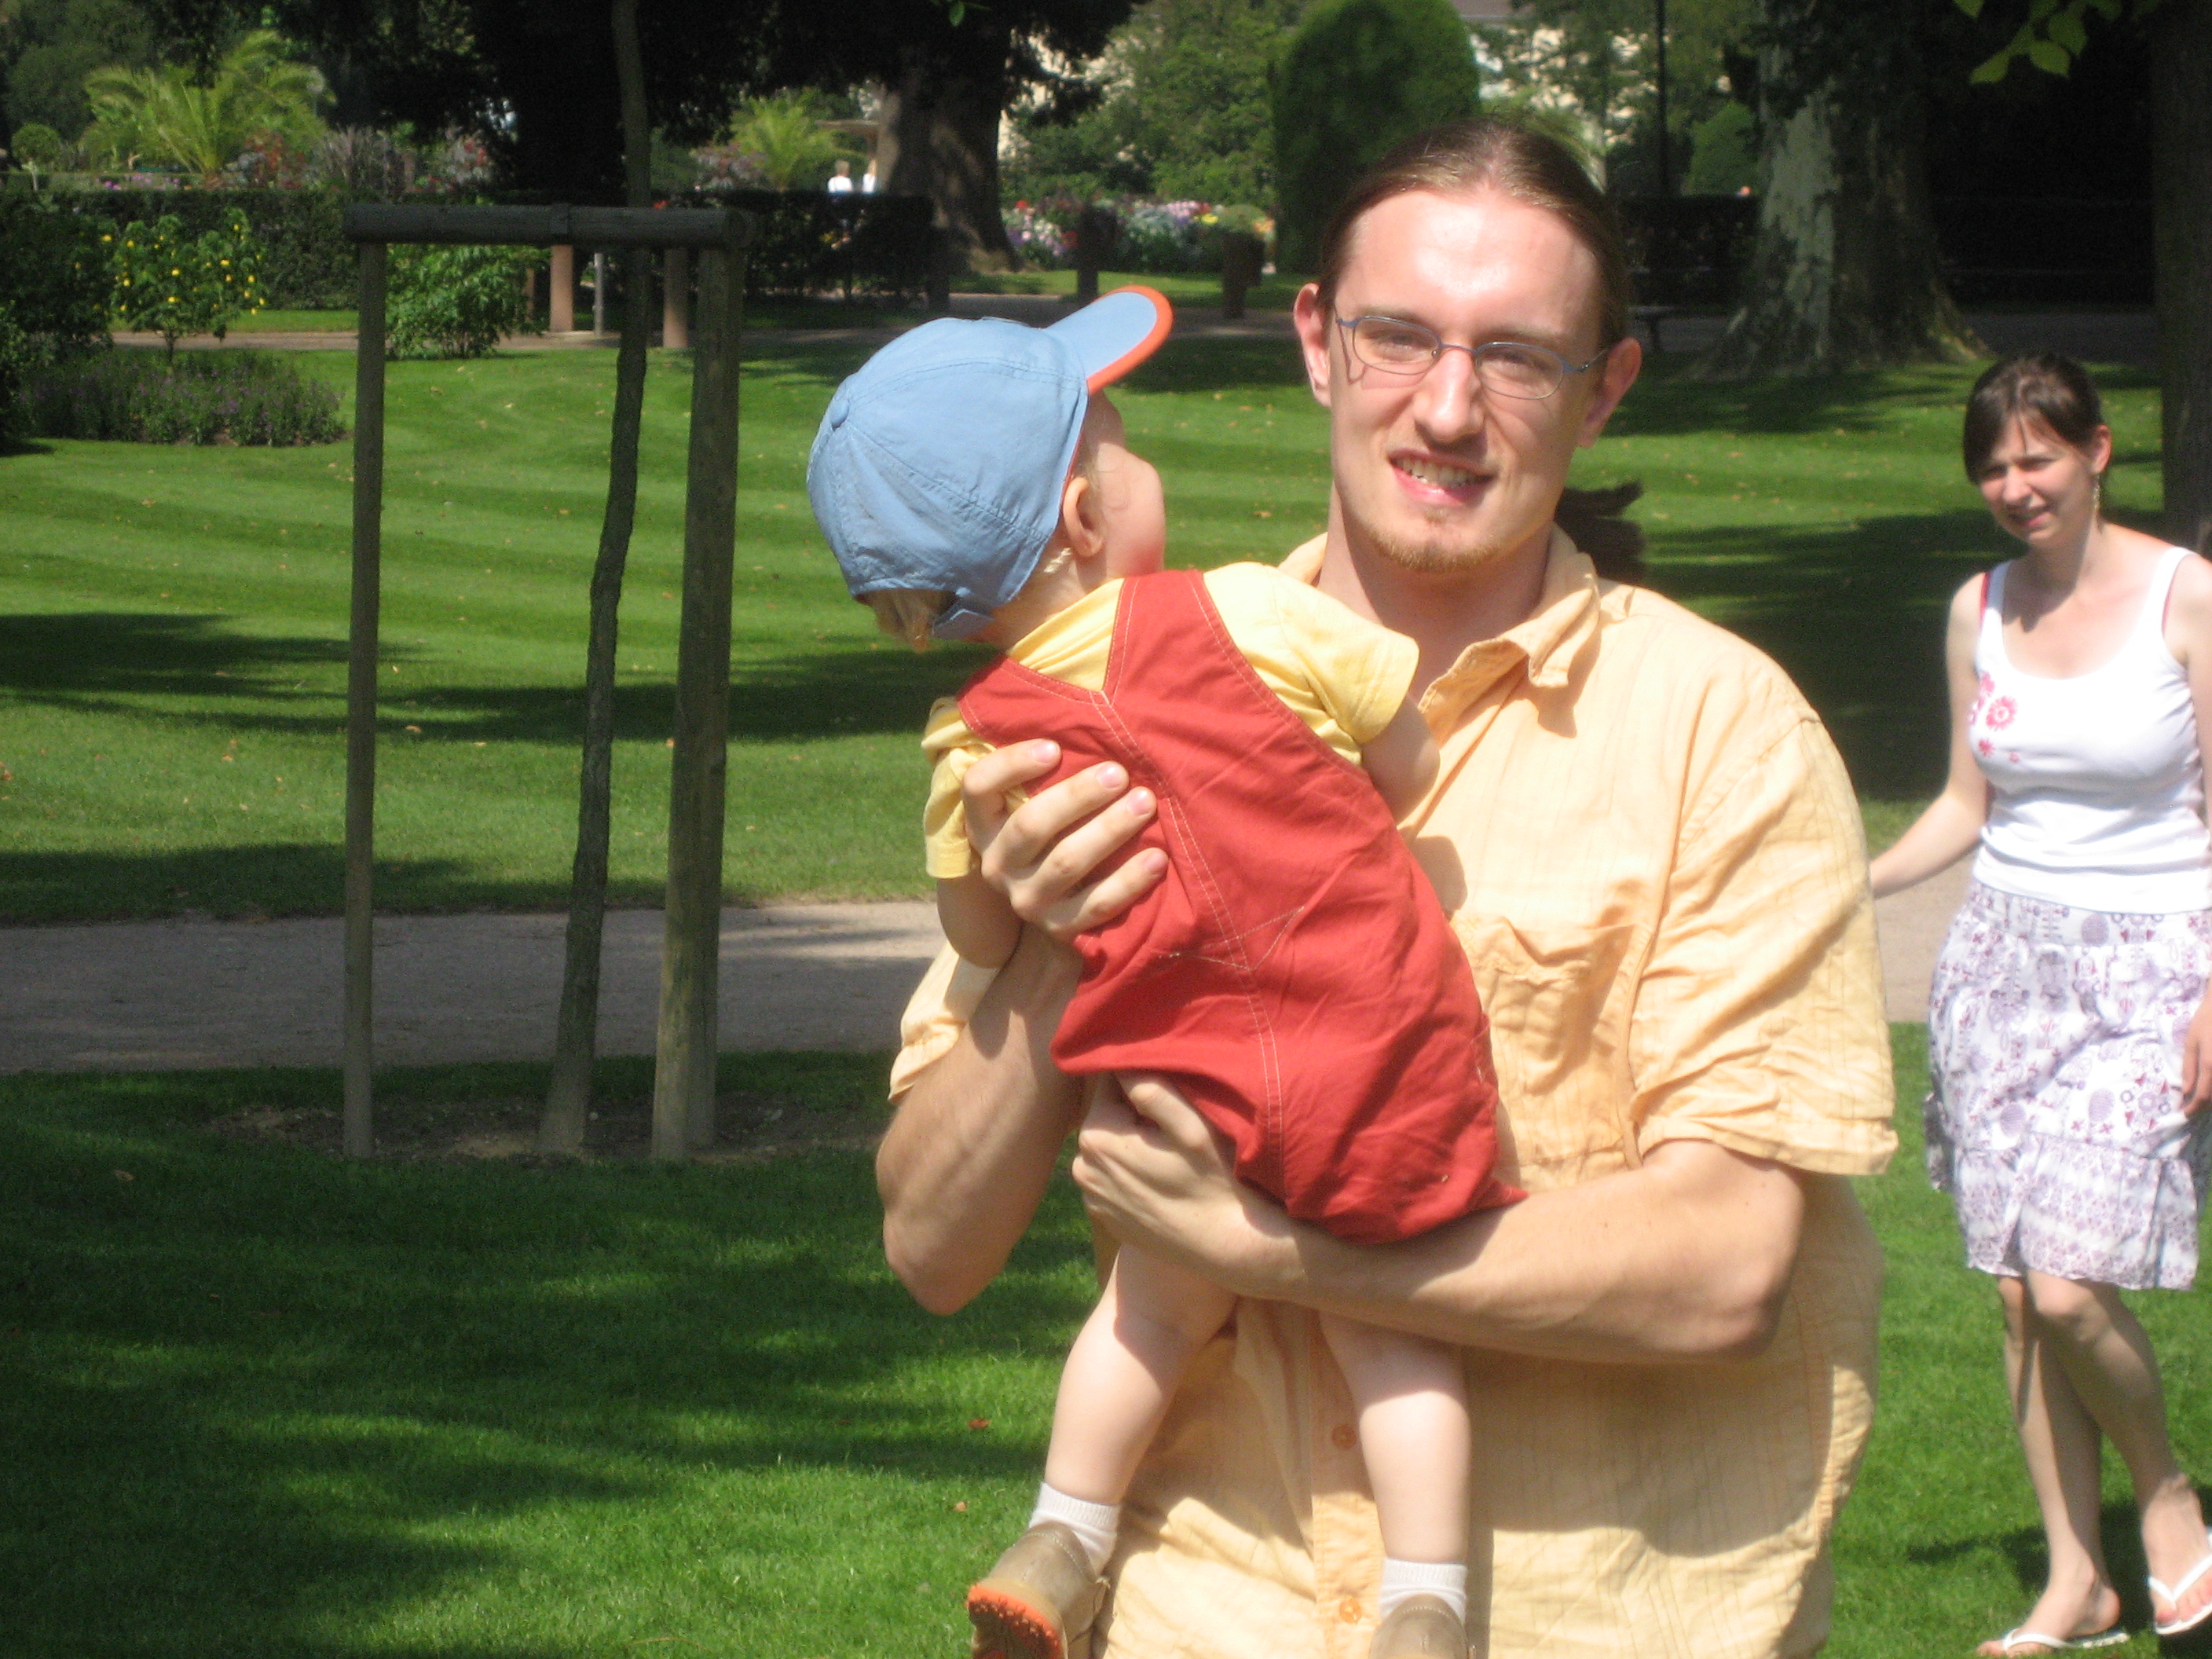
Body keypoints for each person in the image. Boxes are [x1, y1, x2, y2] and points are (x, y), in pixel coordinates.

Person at [879, 117, 1896, 1659]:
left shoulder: (1721, 734)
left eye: (1517, 357)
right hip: (1203, 1618)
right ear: (1316, 341)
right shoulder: (1090, 718)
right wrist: (1059, 948)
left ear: (1605, 388)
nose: (1447, 407)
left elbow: (1726, 1269)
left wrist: (1276, 1255)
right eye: (1399, 337)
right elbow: (931, 1247)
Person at [808, 286, 1519, 1659]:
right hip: (1373, 1058)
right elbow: (1406, 758)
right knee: (1397, 1332)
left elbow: (980, 937)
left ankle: (1064, 1532)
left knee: (1147, 1304)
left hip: (1178, 1083)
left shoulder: (974, 746)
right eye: (1120, 442)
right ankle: (1428, 1599)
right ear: (1086, 515)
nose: (1142, 457)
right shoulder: (1251, 611)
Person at [1869, 353, 2212, 1657]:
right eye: (1994, 468)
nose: (2016, 487)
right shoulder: (1980, 607)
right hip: (2001, 973)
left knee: (2069, 1287)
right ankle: (2078, 1583)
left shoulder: (2187, 597)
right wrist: (1849, 884)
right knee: (2016, 1293)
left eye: (2039, 457)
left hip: (2155, 969)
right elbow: (1967, 802)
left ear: (2098, 452)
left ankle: (2166, 1497)